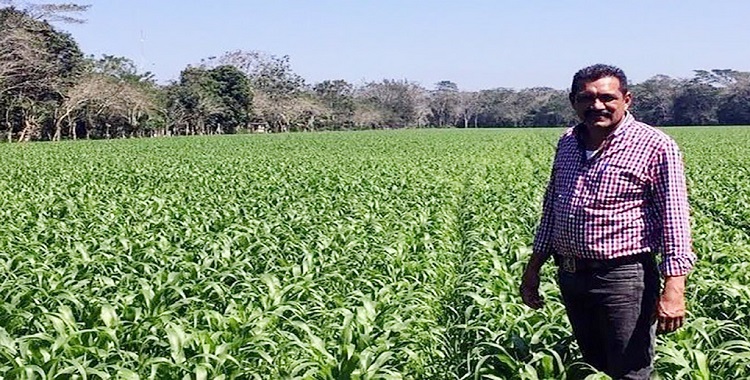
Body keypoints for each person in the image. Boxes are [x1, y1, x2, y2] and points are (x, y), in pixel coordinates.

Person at [519, 64, 696, 379]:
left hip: (624, 279)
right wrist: (533, 268)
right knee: (594, 367)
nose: (596, 105)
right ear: (573, 101)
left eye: (607, 97)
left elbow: (675, 219)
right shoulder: (568, 142)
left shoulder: (655, 145)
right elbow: (552, 209)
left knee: (630, 371)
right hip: (571, 275)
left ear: (627, 99)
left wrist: (675, 289)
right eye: (586, 98)